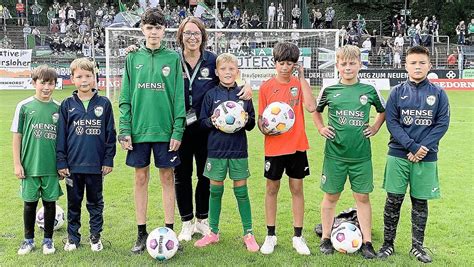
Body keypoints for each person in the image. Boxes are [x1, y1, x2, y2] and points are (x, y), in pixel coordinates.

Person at [118, 8, 186, 254]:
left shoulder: (173, 58)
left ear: (164, 30)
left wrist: (178, 130)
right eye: (149, 28)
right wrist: (124, 129)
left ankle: (169, 231)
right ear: (142, 30)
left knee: (168, 178)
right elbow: (125, 97)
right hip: (137, 132)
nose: (153, 32)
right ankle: (140, 232)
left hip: (165, 131)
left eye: (158, 28)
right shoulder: (132, 58)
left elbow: (179, 98)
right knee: (140, 178)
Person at [377, 46, 450, 263]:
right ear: (405, 65)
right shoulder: (397, 92)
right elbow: (392, 122)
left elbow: (442, 124)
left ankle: (417, 247)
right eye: (413, 63)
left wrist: (421, 148)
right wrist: (411, 146)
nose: (417, 67)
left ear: (429, 65)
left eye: (421, 63)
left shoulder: (438, 94)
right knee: (393, 201)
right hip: (399, 155)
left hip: (426, 156)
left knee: (420, 202)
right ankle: (388, 244)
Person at [313, 45, 386, 258]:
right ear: (337, 65)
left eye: (352, 63)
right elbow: (316, 112)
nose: (348, 67)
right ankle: (326, 237)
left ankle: (367, 241)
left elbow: (383, 111)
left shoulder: (369, 90)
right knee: (331, 196)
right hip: (335, 155)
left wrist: (374, 127)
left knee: (362, 197)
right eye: (343, 64)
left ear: (359, 65)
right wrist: (320, 127)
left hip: (361, 156)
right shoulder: (329, 90)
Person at [193, 53, 258, 252]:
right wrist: (213, 121)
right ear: (216, 72)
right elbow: (202, 122)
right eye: (223, 69)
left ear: (237, 71)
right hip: (216, 150)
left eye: (231, 69)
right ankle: (213, 232)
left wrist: (245, 119)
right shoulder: (211, 95)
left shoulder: (243, 94)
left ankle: (248, 233)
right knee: (215, 190)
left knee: (241, 191)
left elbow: (252, 124)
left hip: (238, 150)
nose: (228, 72)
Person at [258, 42, 316, 255]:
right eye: (281, 63)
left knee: (297, 189)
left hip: (297, 146)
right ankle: (270, 235)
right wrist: (265, 128)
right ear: (275, 63)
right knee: (271, 189)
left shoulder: (298, 84)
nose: (285, 67)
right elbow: (260, 120)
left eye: (289, 63)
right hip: (274, 147)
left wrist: (301, 77)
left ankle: (298, 237)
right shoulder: (266, 87)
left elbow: (311, 107)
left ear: (295, 65)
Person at [56, 58, 116, 252]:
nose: (84, 80)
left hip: (96, 165)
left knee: (95, 202)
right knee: (73, 203)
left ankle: (95, 236)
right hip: (73, 166)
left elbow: (110, 134)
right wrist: (61, 161)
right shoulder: (66, 105)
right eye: (79, 76)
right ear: (72, 79)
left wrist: (108, 159)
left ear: (94, 78)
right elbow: (61, 137)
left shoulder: (104, 103)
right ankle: (73, 238)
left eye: (88, 76)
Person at [11, 65, 62, 255]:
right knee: (29, 204)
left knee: (50, 204)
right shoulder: (24, 106)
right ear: (34, 83)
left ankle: (48, 241)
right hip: (30, 166)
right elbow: (17, 137)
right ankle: (28, 240)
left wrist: (62, 165)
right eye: (43, 83)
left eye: (51, 83)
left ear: (56, 85)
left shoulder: (59, 108)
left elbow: (62, 140)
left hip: (51, 167)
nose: (47, 87)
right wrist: (17, 164)